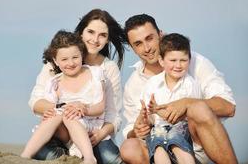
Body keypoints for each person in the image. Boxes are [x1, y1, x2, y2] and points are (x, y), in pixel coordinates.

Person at [120, 14, 237, 164]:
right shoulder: (134, 83)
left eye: (150, 38)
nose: (147, 48)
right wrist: (136, 130)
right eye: (138, 43)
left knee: (198, 108)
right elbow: (131, 131)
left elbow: (229, 107)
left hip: (197, 145)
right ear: (132, 47)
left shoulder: (194, 62)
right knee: (129, 147)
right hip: (159, 147)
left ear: (160, 35)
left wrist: (188, 103)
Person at [28, 9, 125, 164]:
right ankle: (69, 158)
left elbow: (114, 115)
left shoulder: (109, 68)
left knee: (111, 159)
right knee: (39, 150)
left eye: (102, 35)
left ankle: (85, 156)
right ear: (81, 33)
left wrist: (100, 134)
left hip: (93, 133)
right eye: (91, 32)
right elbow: (35, 101)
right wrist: (62, 108)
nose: (95, 39)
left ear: (107, 40)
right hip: (60, 132)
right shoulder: (58, 61)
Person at [21, 30, 106, 164]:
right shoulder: (55, 82)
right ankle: (25, 155)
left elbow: (101, 107)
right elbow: (52, 108)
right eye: (64, 59)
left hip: (88, 125)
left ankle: (89, 157)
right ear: (55, 60)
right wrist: (49, 112)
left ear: (82, 54)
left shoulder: (95, 73)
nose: (71, 63)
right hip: (64, 133)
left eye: (75, 57)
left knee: (69, 115)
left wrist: (84, 109)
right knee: (57, 114)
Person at [141, 33, 200, 164]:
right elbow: (151, 116)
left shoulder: (191, 84)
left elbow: (190, 115)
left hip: (181, 128)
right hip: (158, 129)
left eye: (183, 60)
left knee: (179, 146)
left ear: (189, 60)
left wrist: (158, 110)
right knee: (158, 150)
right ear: (161, 61)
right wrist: (147, 117)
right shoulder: (153, 84)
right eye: (173, 60)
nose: (178, 65)